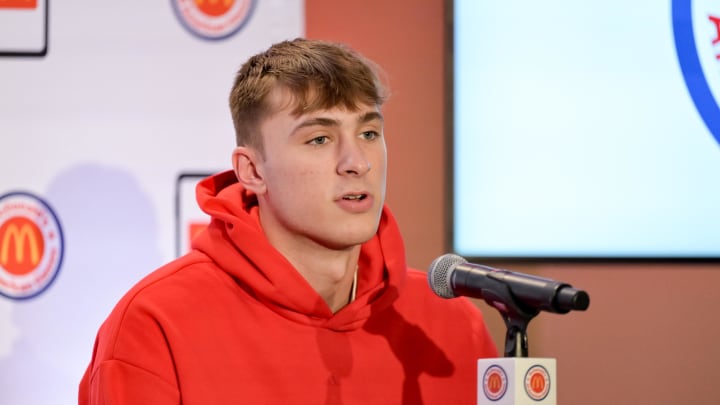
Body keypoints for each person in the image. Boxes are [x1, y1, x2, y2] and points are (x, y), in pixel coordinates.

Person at [78, 38, 498, 404]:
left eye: (369, 134)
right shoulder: (155, 323)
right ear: (252, 171)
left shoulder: (451, 321)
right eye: (319, 139)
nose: (356, 163)